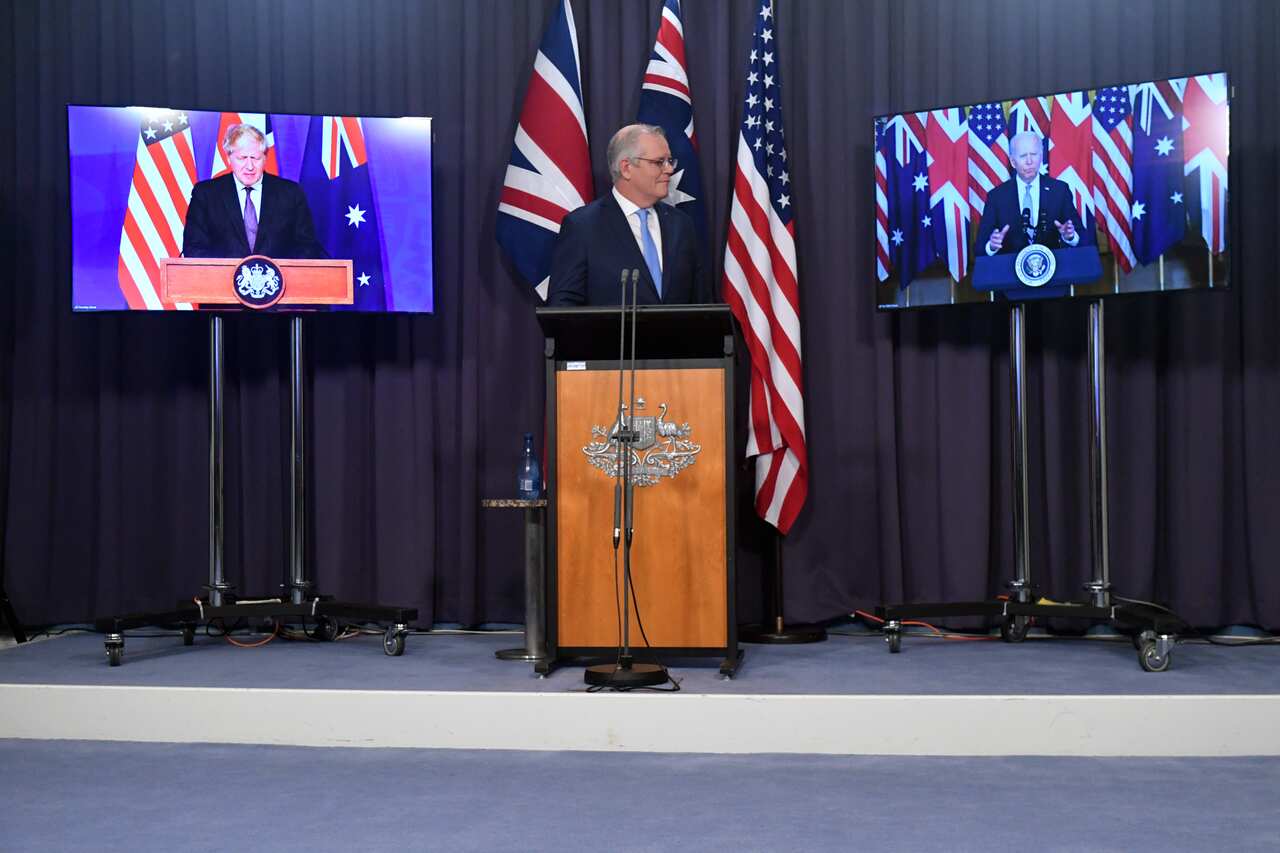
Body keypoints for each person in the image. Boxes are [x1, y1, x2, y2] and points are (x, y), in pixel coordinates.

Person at [546, 124, 709, 306]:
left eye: (670, 161)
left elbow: (701, 303)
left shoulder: (681, 225)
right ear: (626, 168)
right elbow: (563, 307)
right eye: (659, 162)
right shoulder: (583, 227)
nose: (669, 169)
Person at [182, 124, 327, 259]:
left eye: (255, 158)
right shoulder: (206, 194)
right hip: (220, 284)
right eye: (242, 158)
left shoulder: (290, 193)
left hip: (280, 283)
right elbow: (194, 249)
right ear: (228, 158)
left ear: (265, 158)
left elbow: (306, 247)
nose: (249, 166)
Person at [975, 131, 1083, 257]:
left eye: (1034, 154)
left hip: (1053, 268)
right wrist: (992, 246)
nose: (1029, 161)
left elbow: (1083, 236)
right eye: (1023, 156)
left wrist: (1070, 236)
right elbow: (980, 248)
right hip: (1010, 271)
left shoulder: (1059, 190)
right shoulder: (996, 197)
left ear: (1041, 156)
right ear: (1013, 161)